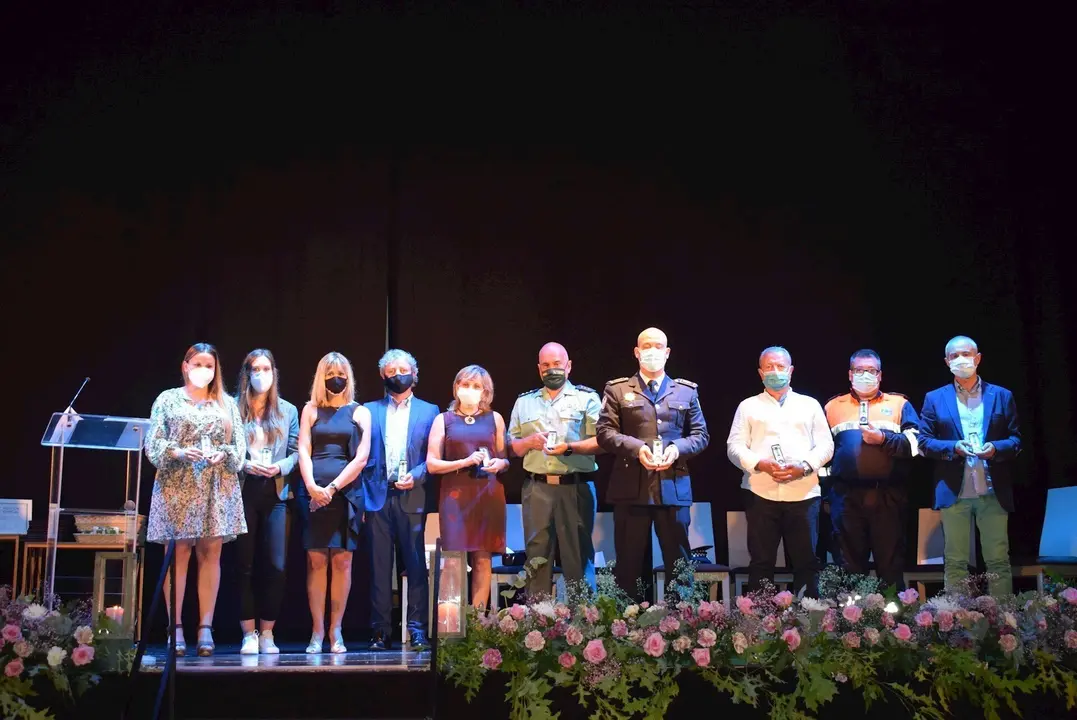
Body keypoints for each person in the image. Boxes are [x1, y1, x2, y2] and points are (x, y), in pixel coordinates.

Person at [145, 343, 246, 657]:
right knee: (178, 554)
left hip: (217, 486)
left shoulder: (226, 404)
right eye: (199, 363)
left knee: (210, 554)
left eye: (210, 365)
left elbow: (239, 450)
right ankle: (174, 627)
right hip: (177, 485)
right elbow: (153, 442)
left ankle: (205, 627)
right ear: (185, 365)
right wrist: (177, 451)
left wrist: (224, 454)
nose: (205, 370)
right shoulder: (168, 399)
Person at [596, 327, 709, 600]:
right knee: (629, 563)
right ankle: (631, 627)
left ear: (667, 353)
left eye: (658, 346)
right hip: (630, 488)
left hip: (673, 486)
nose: (652, 351)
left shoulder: (685, 391)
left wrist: (675, 449)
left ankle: (680, 624)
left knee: (678, 563)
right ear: (637, 352)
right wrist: (638, 449)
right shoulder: (618, 389)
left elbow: (700, 436)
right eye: (647, 346)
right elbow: (604, 433)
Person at [918, 336, 1022, 597]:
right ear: (946, 362)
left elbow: (1016, 440)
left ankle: (1003, 622)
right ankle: (956, 624)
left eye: (966, 354)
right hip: (955, 491)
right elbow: (924, 442)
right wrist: (952, 447)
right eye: (954, 356)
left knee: (998, 561)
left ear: (977, 358)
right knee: (955, 562)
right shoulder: (934, 398)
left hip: (992, 490)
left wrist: (996, 448)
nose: (961, 359)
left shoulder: (1001, 395)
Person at [726, 346, 833, 597]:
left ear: (791, 370)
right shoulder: (748, 406)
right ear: (760, 373)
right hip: (760, 493)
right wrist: (759, 463)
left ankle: (808, 624)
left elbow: (827, 446)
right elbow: (734, 447)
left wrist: (804, 466)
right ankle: (760, 626)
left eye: (781, 367)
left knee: (806, 562)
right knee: (761, 563)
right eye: (769, 367)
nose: (776, 371)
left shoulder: (810, 405)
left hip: (804, 494)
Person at [508, 342, 603, 598]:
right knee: (536, 557)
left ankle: (583, 626)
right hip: (536, 488)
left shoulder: (587, 399)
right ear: (539, 370)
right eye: (546, 365)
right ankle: (538, 627)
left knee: (578, 557)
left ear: (568, 366)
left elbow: (602, 442)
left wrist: (569, 447)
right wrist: (529, 442)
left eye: (557, 364)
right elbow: (511, 447)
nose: (552, 370)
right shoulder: (524, 402)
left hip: (575, 487)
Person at [361, 349, 440, 651]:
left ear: (414, 374)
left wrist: (417, 476)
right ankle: (381, 631)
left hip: (413, 495)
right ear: (383, 376)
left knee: (416, 565)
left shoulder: (430, 411)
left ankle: (417, 629)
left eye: (403, 369)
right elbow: (362, 456)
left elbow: (433, 456)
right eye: (391, 371)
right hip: (378, 498)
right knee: (380, 567)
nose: (397, 375)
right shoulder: (369, 410)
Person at [823, 349, 919, 590]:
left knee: (890, 567)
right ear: (849, 374)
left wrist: (884, 439)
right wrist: (827, 496)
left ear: (880, 375)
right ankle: (852, 623)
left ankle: (896, 625)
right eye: (859, 371)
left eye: (871, 371)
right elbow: (822, 455)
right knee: (849, 569)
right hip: (845, 499)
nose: (865, 375)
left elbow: (918, 444)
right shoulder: (832, 406)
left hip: (887, 497)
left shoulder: (899, 404)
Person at [296, 352, 372, 653]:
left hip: (346, 495)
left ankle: (335, 631)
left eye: (340, 372)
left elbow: (362, 457)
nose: (335, 378)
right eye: (329, 373)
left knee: (342, 561)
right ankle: (316, 632)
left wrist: (333, 487)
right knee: (315, 561)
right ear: (321, 377)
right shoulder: (311, 409)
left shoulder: (360, 412)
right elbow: (303, 449)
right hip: (314, 493)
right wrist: (314, 486)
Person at [426, 365, 510, 608]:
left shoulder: (495, 419)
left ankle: (477, 625)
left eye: (476, 386)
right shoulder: (443, 420)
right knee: (453, 560)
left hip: (488, 495)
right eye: (465, 385)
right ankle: (452, 626)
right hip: (455, 496)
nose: (470, 390)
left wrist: (499, 463)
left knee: (483, 559)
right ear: (456, 388)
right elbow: (432, 464)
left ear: (485, 391)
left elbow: (505, 459)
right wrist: (463, 462)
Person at [234, 349, 300, 655]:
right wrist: (244, 464)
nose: (262, 374)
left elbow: (297, 451)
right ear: (247, 374)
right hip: (243, 490)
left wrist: (280, 467)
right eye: (256, 369)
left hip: (276, 492)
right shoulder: (233, 408)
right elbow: (227, 447)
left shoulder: (287, 410)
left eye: (267, 368)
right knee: (244, 564)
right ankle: (248, 632)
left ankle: (268, 632)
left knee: (276, 565)